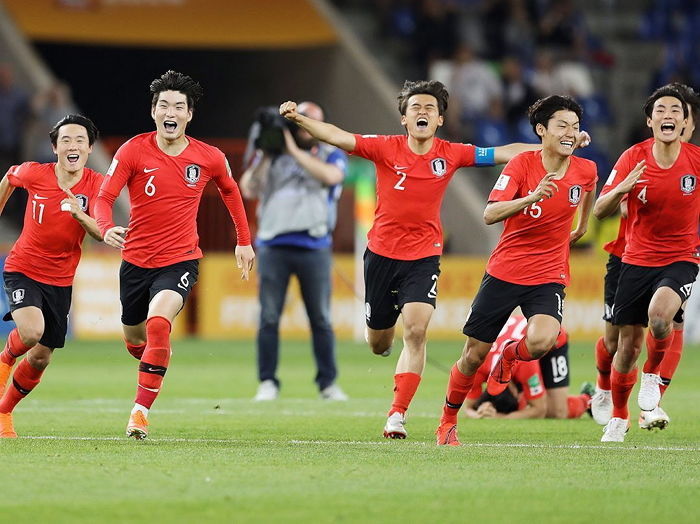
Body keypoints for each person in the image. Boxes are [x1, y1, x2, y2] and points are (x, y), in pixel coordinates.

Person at [280, 80, 590, 440]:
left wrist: (556, 143)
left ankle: (397, 415)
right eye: (416, 107)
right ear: (404, 119)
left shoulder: (452, 153)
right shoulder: (384, 148)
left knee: (415, 331)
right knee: (379, 343)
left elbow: (506, 152)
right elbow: (336, 135)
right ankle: (383, 342)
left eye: (430, 108)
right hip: (381, 255)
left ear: (440, 119)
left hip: (424, 257)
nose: (423, 112)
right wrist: (299, 120)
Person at [95, 71, 255, 440]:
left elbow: (231, 192)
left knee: (158, 323)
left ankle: (139, 413)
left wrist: (243, 240)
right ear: (153, 112)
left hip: (180, 259)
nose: (171, 111)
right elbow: (104, 198)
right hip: (135, 261)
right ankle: (153, 357)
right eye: (164, 105)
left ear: (189, 115)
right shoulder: (133, 150)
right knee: (137, 336)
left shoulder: (209, 157)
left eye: (178, 106)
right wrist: (105, 228)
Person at [436, 94, 597, 446]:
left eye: (575, 127)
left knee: (542, 340)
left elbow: (589, 187)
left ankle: (510, 354)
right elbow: (489, 214)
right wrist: (531, 197)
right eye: (562, 126)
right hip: (506, 271)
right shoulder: (522, 165)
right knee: (474, 354)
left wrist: (582, 225)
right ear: (542, 130)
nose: (570, 133)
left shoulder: (585, 168)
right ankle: (447, 421)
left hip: (550, 273)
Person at [593, 85, 700, 443]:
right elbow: (599, 210)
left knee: (660, 316)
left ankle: (652, 377)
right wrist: (622, 187)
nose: (667, 115)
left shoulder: (696, 162)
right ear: (649, 120)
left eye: (675, 111)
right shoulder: (632, 159)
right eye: (661, 110)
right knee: (626, 349)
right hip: (635, 260)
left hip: (682, 256)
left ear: (685, 122)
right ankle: (619, 417)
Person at [0, 114, 103, 437]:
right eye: (66, 140)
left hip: (60, 280)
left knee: (41, 358)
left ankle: (3, 413)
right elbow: (9, 177)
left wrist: (80, 215)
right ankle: (4, 363)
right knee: (31, 332)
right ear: (55, 147)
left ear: (88, 149)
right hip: (23, 268)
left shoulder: (98, 185)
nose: (73, 146)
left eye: (80, 141)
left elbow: (100, 232)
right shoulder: (35, 173)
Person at [240, 102, 348, 401]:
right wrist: (265, 154)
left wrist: (292, 150)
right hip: (274, 244)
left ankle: (328, 383)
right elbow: (247, 187)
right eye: (302, 122)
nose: (307, 128)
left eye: (313, 122)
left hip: (314, 245)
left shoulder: (331, 153)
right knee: (269, 317)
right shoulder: (273, 157)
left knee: (321, 319)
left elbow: (331, 177)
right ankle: (267, 382)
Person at [464, 315, 594, 420]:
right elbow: (468, 408)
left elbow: (539, 410)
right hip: (523, 339)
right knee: (534, 403)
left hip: (552, 338)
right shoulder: (478, 366)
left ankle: (588, 398)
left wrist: (500, 417)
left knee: (557, 412)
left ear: (515, 390)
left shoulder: (524, 364)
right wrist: (480, 414)